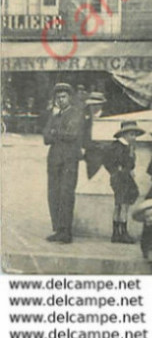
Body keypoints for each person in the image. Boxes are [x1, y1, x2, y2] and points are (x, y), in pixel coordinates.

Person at [43, 82, 84, 244]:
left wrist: (55, 132)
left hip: (69, 160)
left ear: (70, 97)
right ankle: (58, 230)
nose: (61, 100)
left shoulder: (76, 113)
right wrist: (55, 131)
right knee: (53, 194)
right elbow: (46, 137)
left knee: (66, 194)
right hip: (53, 159)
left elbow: (72, 134)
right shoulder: (54, 115)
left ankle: (66, 231)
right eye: (58, 97)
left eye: (64, 96)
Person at [103, 120, 145, 243]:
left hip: (124, 177)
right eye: (131, 135)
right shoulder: (118, 147)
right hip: (121, 178)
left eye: (135, 135)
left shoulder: (127, 147)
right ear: (124, 135)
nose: (134, 137)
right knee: (123, 205)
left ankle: (117, 233)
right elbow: (110, 161)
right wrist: (117, 170)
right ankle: (122, 232)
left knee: (120, 204)